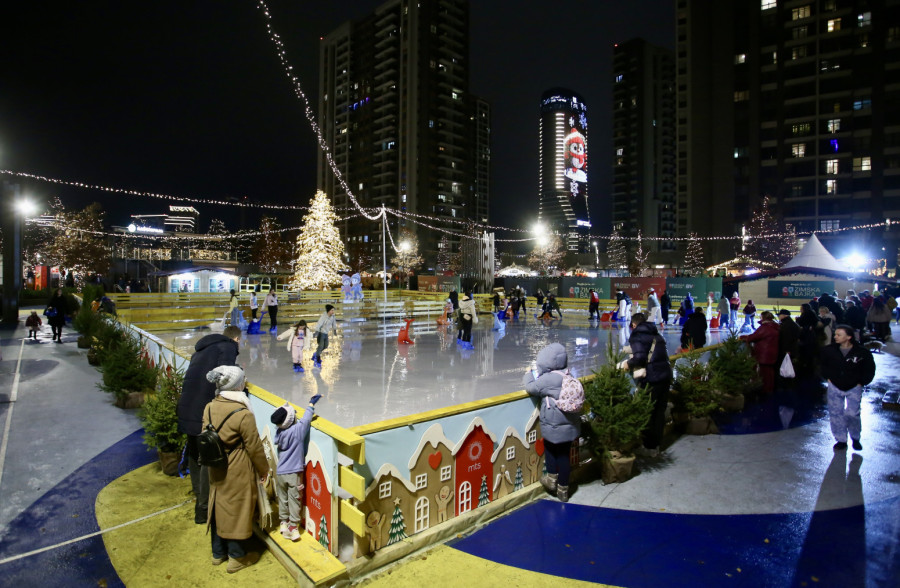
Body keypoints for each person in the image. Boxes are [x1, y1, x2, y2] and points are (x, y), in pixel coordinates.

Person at [203, 365, 269, 573]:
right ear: (237, 385)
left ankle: (217, 552)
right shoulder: (242, 414)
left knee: (218, 505)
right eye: (243, 380)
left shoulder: (210, 406)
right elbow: (255, 448)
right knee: (236, 509)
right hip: (237, 466)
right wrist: (264, 470)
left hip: (216, 465)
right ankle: (237, 556)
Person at [176, 325, 242, 524]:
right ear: (236, 339)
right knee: (207, 458)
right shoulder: (228, 347)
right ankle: (203, 508)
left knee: (194, 453)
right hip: (203, 410)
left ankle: (198, 495)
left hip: (187, 406)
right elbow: (225, 376)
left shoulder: (204, 349)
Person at [522, 342, 581, 502]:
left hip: (553, 426)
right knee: (564, 456)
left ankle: (552, 479)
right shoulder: (568, 375)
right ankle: (564, 490)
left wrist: (528, 373)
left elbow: (531, 387)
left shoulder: (548, 379)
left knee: (551, 450)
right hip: (569, 426)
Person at [270, 395, 321, 542]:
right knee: (294, 499)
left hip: (280, 472)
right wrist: (311, 404)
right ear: (292, 420)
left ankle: (283, 523)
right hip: (293, 473)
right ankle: (293, 527)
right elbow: (306, 419)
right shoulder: (297, 431)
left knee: (283, 498)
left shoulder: (279, 433)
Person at [621, 313, 672, 456]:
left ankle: (647, 446)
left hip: (652, 378)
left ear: (634, 325)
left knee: (647, 412)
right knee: (659, 413)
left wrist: (627, 364)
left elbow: (640, 357)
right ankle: (655, 446)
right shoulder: (657, 335)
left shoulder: (637, 335)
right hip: (665, 376)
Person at [820, 325, 876, 451]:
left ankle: (855, 437)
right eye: (835, 334)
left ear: (849, 337)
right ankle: (841, 439)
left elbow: (869, 369)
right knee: (835, 413)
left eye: (839, 335)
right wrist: (827, 377)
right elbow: (821, 365)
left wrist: (862, 382)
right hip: (835, 385)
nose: (835, 337)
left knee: (852, 413)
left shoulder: (862, 352)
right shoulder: (828, 350)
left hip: (854, 386)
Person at [740, 311, 780, 394]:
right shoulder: (775, 326)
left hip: (764, 354)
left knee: (764, 373)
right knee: (770, 372)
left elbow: (753, 337)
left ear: (763, 318)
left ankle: (765, 390)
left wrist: (744, 337)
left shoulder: (765, 327)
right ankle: (770, 388)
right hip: (773, 353)